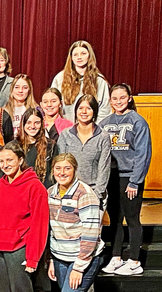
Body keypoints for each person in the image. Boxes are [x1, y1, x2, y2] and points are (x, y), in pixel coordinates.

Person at [99, 84, 152, 276]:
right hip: (111, 177)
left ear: (129, 98)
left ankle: (135, 260)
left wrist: (135, 181)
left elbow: (143, 153)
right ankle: (116, 257)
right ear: (110, 101)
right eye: (115, 98)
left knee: (131, 218)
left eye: (122, 97)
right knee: (114, 219)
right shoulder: (105, 123)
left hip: (129, 177)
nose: (118, 101)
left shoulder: (138, 121)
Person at [0, 141, 49, 292]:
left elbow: (40, 225)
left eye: (9, 160)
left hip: (19, 248)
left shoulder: (35, 187)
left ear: (21, 160)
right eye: (1, 161)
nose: (5, 165)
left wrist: (32, 258)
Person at [46, 153, 104, 291]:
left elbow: (91, 234)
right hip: (60, 256)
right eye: (58, 168)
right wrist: (52, 260)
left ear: (74, 169)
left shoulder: (85, 194)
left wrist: (78, 268)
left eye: (67, 168)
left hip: (82, 258)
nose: (62, 173)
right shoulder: (50, 193)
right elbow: (52, 231)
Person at [56, 94, 111, 204]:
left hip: (93, 192)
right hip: (69, 191)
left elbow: (104, 169)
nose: (84, 112)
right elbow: (60, 165)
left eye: (88, 108)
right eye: (80, 108)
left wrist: (96, 195)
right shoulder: (65, 135)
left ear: (94, 112)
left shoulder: (103, 137)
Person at [51, 40, 111, 122]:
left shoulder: (99, 80)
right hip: (65, 129)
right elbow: (52, 104)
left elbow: (104, 110)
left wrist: (95, 130)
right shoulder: (60, 78)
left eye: (83, 53)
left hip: (91, 130)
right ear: (71, 58)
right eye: (75, 54)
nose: (79, 57)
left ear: (89, 56)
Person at [18, 108, 58, 187]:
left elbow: (54, 173)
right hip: (21, 191)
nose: (32, 126)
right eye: (29, 123)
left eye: (37, 123)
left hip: (44, 190)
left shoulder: (50, 146)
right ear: (23, 124)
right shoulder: (15, 146)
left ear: (42, 124)